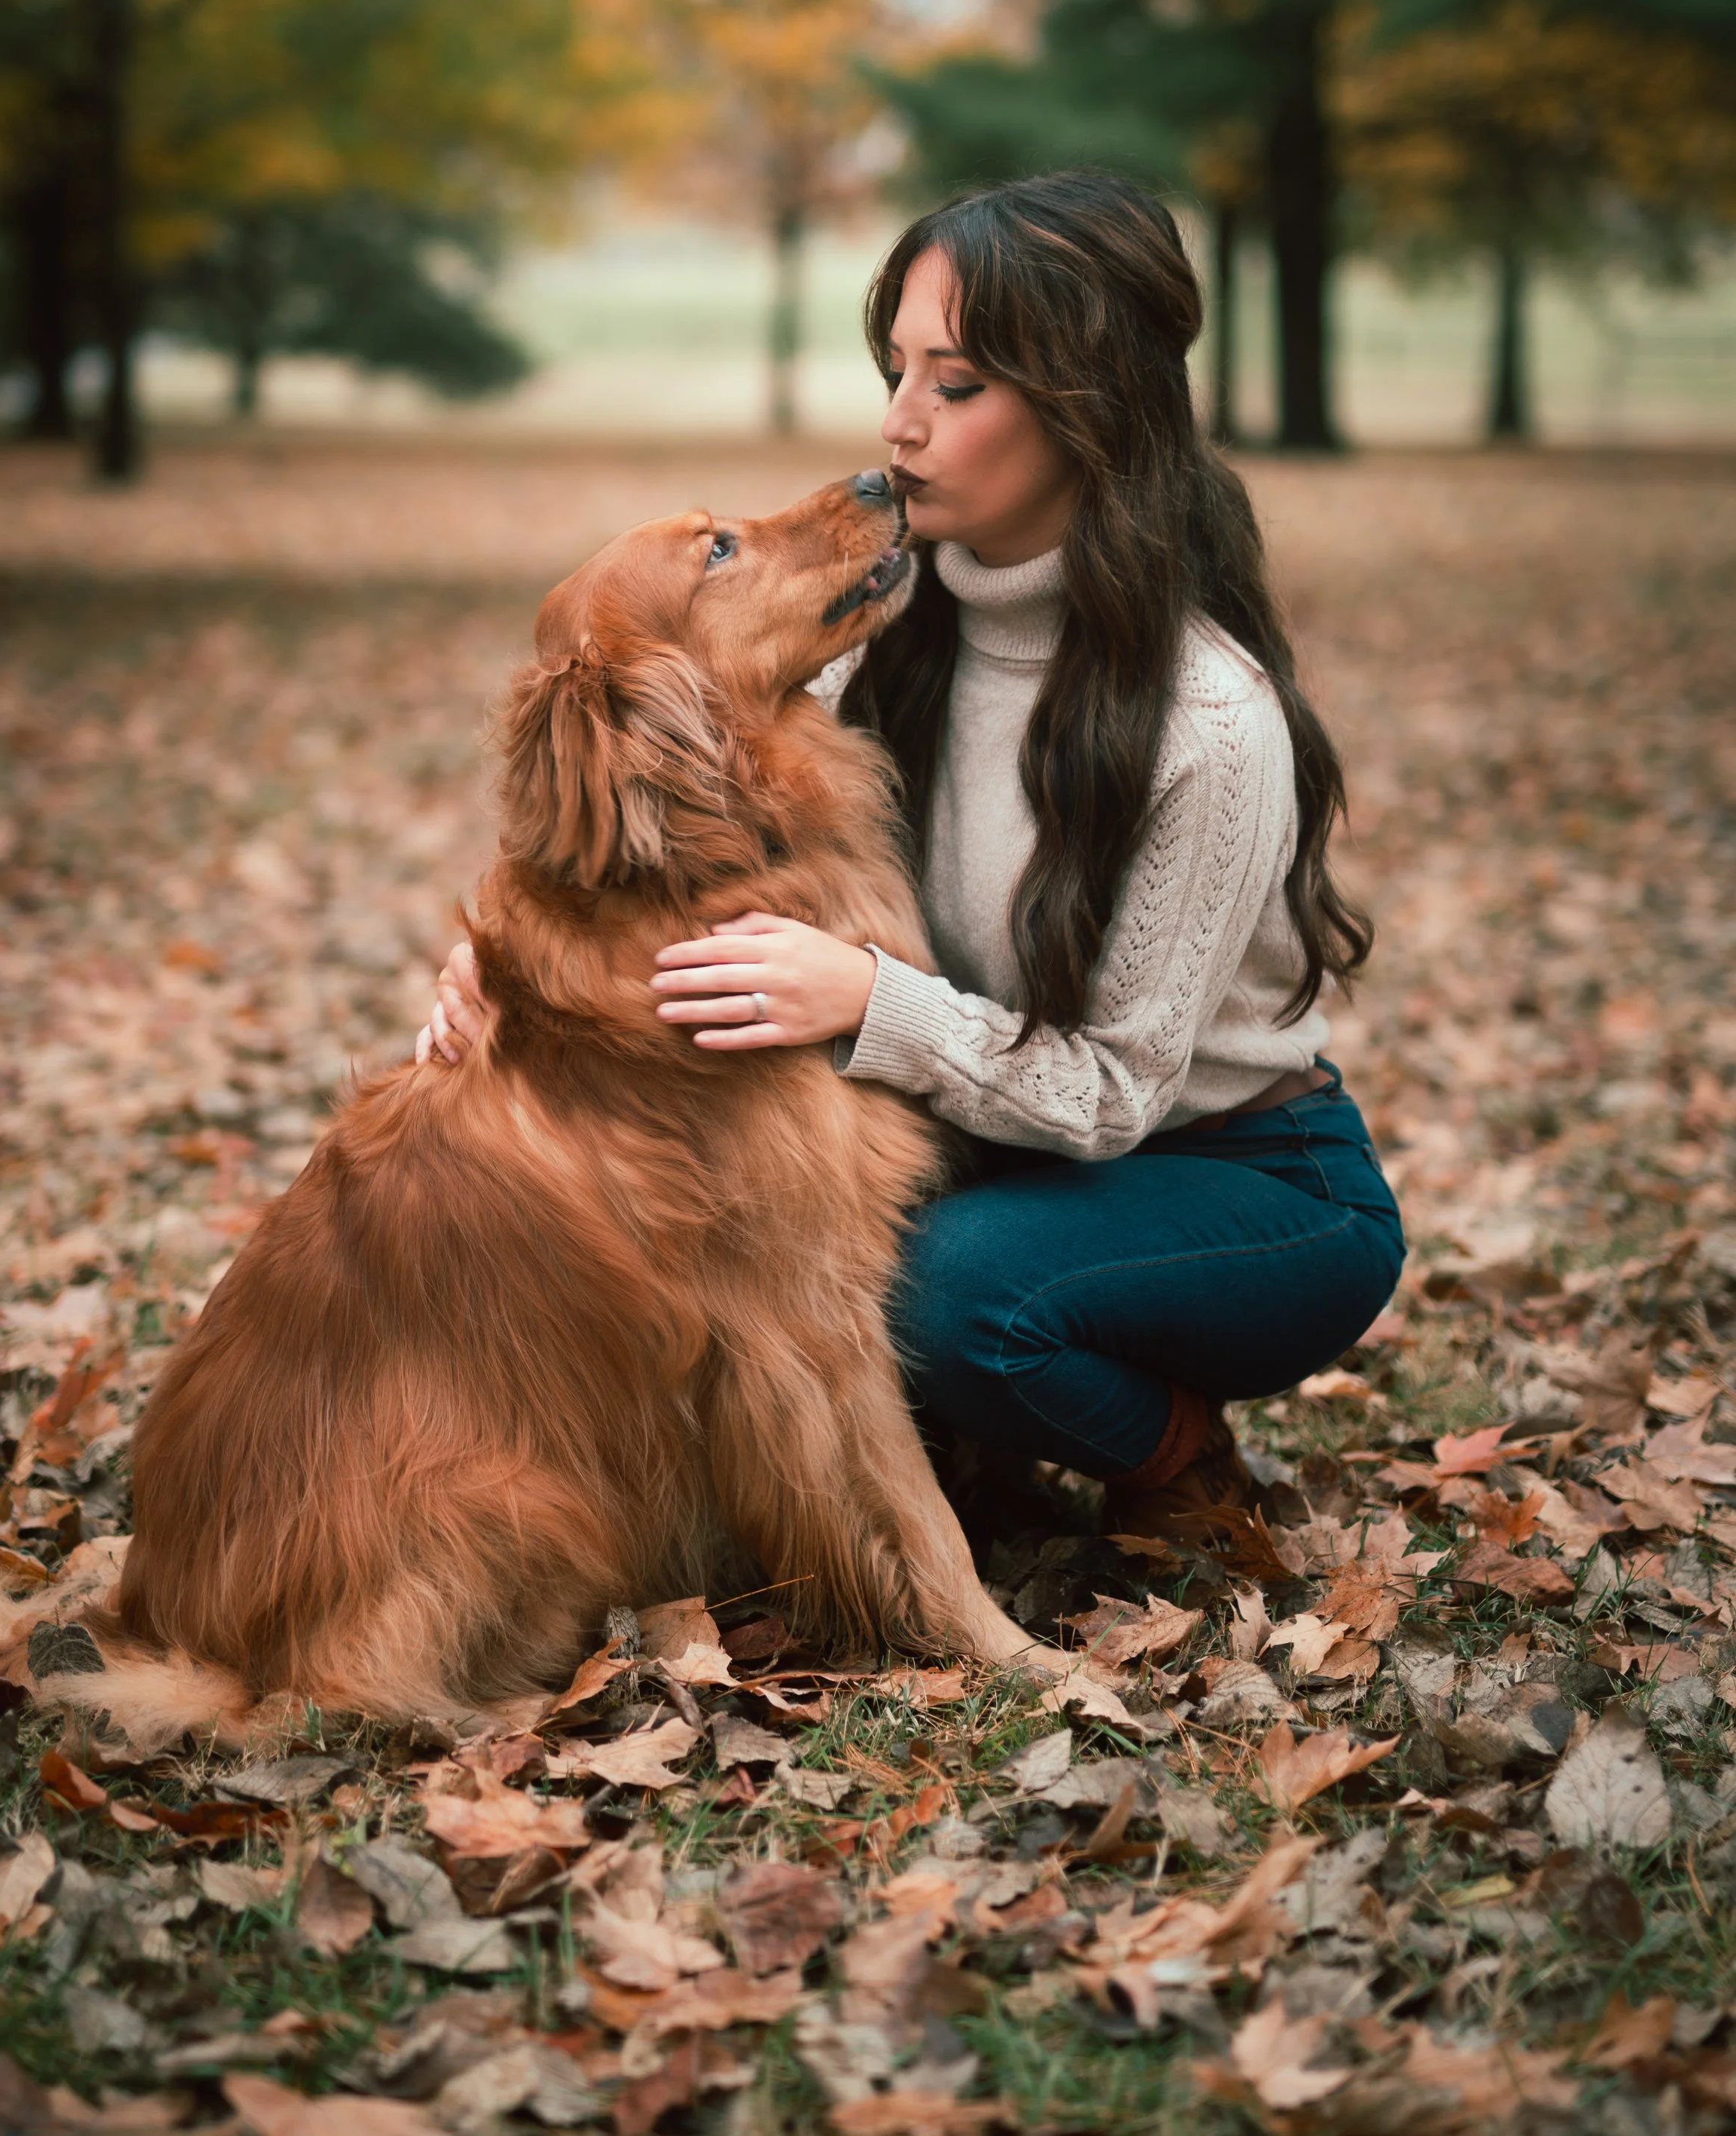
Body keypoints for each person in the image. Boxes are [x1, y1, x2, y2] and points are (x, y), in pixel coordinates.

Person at [421, 170, 1403, 1536]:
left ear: (1086, 401)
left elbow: (1116, 1093)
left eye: (958, 383)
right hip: (999, 1150)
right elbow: (678, 810)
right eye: (898, 370)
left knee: (942, 1298)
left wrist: (869, 1004)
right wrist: (496, 973)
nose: (899, 425)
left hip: (1240, 1178)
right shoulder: (886, 610)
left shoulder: (1208, 719)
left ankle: (1173, 1455)